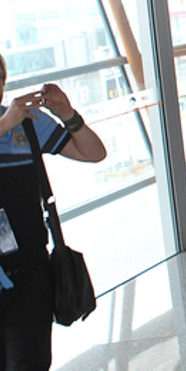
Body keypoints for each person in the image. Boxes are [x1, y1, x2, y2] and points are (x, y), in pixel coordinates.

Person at [0, 53, 106, 370]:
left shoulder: (25, 125)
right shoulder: (11, 121)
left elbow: (94, 152)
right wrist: (5, 124)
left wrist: (68, 115)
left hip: (29, 275)